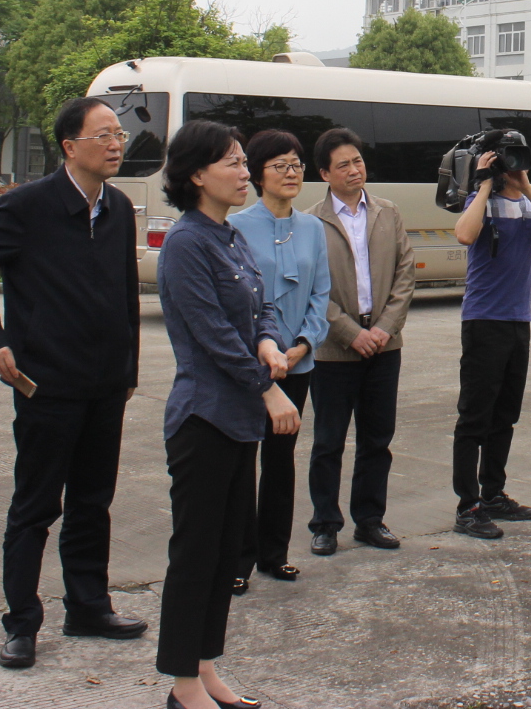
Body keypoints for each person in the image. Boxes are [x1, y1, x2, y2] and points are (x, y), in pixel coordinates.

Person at [0, 97, 147, 670]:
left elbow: (125, 295)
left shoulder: (119, 208)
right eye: (104, 135)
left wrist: (128, 369)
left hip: (106, 385)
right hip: (47, 384)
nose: (116, 144)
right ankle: (21, 622)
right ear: (69, 146)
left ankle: (88, 605)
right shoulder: (26, 206)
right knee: (35, 506)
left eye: (119, 136)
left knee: (93, 501)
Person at [154, 119, 298, 709]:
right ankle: (183, 685)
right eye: (234, 163)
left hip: (237, 421)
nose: (245, 172)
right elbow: (212, 335)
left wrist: (268, 341)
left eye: (244, 162)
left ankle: (206, 667)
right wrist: (267, 388)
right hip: (204, 419)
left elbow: (260, 307)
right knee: (195, 554)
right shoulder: (187, 242)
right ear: (196, 175)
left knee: (221, 556)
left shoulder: (231, 236)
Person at [228, 130, 331, 593]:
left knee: (281, 458)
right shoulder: (236, 226)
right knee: (242, 459)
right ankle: (236, 559)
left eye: (297, 165)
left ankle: (274, 554)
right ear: (257, 174)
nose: (291, 174)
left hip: (298, 363)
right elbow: (237, 301)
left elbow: (321, 293)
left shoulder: (312, 227)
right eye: (280, 166)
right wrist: (263, 351)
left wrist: (305, 344)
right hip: (252, 364)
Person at [448, 131, 531, 539]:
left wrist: (526, 184)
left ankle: (494, 493)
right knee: (474, 418)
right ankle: (468, 506)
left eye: (522, 156)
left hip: (519, 320)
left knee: (505, 416)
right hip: (483, 321)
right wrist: (482, 184)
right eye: (509, 158)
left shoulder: (529, 202)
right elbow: (464, 234)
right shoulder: (482, 202)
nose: (516, 164)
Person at [305, 127, 414, 556]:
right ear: (325, 174)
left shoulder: (388, 212)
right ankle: (325, 523)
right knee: (328, 441)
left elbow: (406, 275)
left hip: (384, 347)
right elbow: (315, 290)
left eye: (358, 161)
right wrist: (351, 332)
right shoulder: (311, 222)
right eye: (343, 165)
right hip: (333, 351)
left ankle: (369, 520)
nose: (354, 170)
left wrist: (384, 328)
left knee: (376, 439)